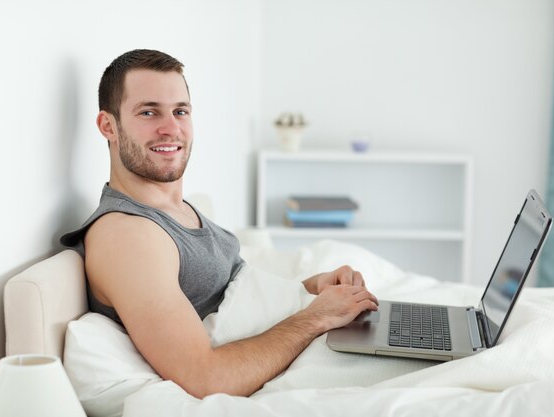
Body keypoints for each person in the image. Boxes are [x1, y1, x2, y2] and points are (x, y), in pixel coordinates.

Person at [60, 49, 379, 399]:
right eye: (149, 112)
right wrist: (316, 317)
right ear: (109, 126)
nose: (171, 128)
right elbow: (205, 378)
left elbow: (225, 302)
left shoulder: (176, 208)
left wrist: (309, 290)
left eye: (180, 111)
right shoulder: (128, 235)